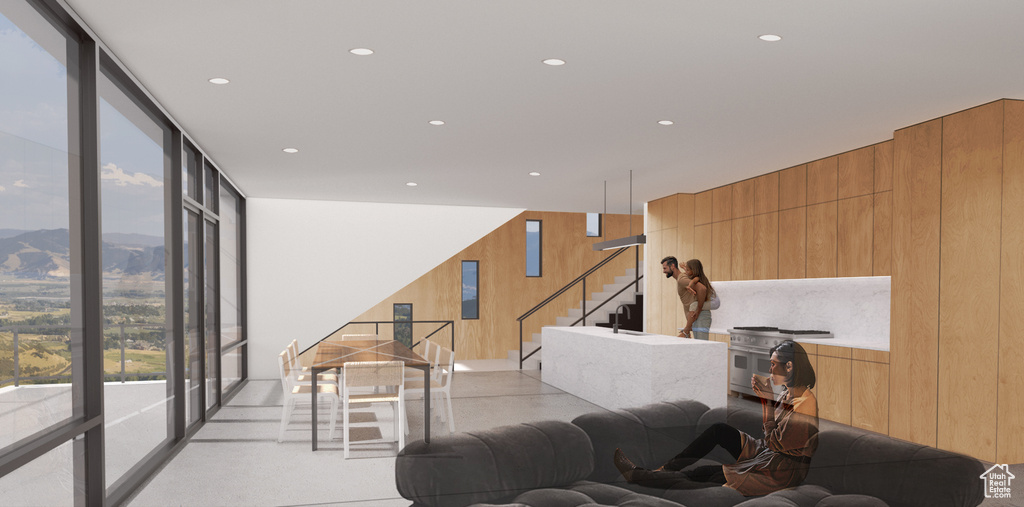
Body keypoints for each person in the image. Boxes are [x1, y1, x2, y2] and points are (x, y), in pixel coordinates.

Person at [613, 340, 819, 496]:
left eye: (774, 364)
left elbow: (775, 444)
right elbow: (772, 440)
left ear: (789, 367)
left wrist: (766, 402)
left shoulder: (805, 405)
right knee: (718, 430)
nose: (770, 369)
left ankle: (638, 476)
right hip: (767, 454)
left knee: (705, 474)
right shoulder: (787, 394)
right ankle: (666, 469)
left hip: (780, 471)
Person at [661, 256, 701, 338]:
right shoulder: (682, 277)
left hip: (697, 319)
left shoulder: (681, 280)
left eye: (665, 268)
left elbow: (701, 288)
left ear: (672, 266)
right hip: (693, 321)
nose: (663, 271)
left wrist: (699, 308)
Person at [682, 259, 713, 340]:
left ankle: (686, 331)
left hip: (704, 312)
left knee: (702, 342)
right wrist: (684, 268)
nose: (686, 272)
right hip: (701, 314)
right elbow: (690, 275)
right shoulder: (699, 277)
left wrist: (690, 285)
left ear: (694, 270)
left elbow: (694, 281)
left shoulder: (697, 278)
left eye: (688, 270)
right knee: (698, 341)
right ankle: (687, 330)